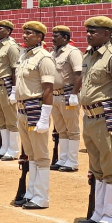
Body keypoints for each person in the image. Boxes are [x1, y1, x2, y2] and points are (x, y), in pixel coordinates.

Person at [76, 16, 112, 223]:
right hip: (89, 117)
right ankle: (98, 213)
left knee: (111, 168)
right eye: (88, 31)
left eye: (94, 31)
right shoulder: (88, 56)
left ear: (107, 34)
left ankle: (111, 217)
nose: (89, 35)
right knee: (97, 168)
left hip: (107, 117)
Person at [12, 21, 56, 210]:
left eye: (29, 33)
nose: (25, 36)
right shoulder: (25, 56)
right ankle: (32, 192)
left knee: (41, 155)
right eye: (24, 33)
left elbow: (48, 89)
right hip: (22, 109)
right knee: (30, 154)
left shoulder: (44, 58)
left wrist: (45, 116)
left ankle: (41, 196)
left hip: (35, 108)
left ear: (40, 37)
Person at [50, 26, 82, 172]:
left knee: (72, 129)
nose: (53, 38)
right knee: (61, 129)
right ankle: (63, 158)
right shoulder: (53, 53)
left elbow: (79, 74)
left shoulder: (72, 52)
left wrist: (74, 94)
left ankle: (73, 161)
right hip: (55, 95)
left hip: (68, 94)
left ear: (65, 38)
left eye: (56, 36)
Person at [0, 20, 21, 161]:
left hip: (6, 84)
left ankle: (13, 149)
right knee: (0, 118)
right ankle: (4, 147)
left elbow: (15, 69)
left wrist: (14, 90)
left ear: (8, 31)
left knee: (10, 117)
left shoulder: (11, 47)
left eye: (0, 28)